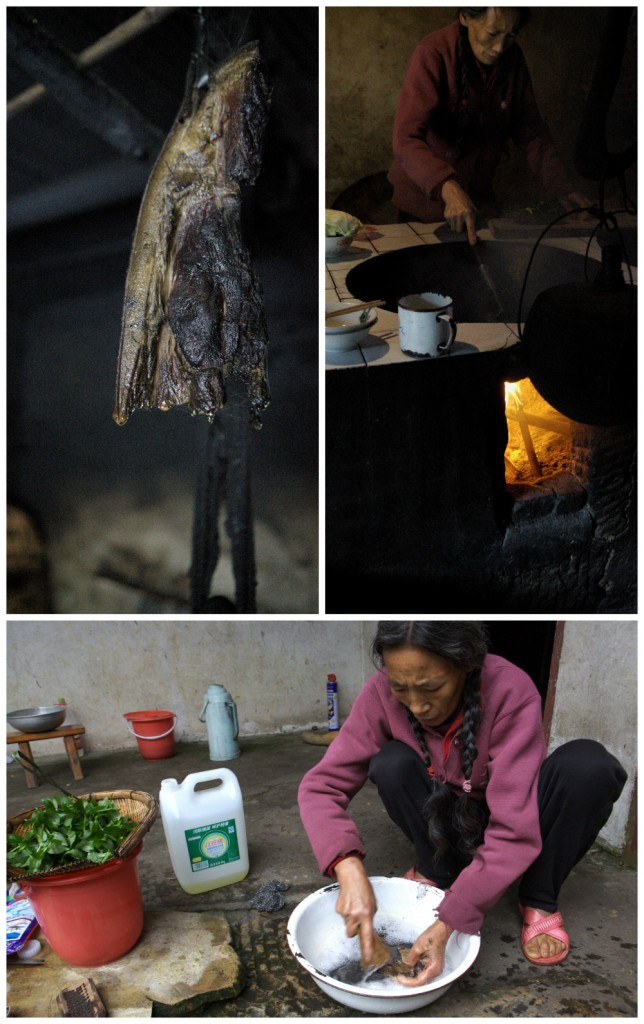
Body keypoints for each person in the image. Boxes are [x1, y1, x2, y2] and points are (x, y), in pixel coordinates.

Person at [298, 621, 627, 985]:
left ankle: (538, 896)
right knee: (391, 762)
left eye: (432, 687)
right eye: (400, 688)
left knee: (589, 767)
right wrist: (347, 867)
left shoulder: (510, 689)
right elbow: (320, 786)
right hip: (447, 816)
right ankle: (439, 870)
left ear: (466, 665)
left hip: (512, 816)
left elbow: (512, 831)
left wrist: (449, 922)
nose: (418, 705)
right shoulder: (380, 692)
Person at [388, 8, 591, 243]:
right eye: (492, 33)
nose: (499, 48)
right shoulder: (433, 51)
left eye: (511, 35)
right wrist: (448, 188)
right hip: (424, 207)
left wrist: (562, 188)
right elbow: (405, 139)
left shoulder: (512, 58)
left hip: (478, 203)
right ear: (465, 18)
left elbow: (531, 133)